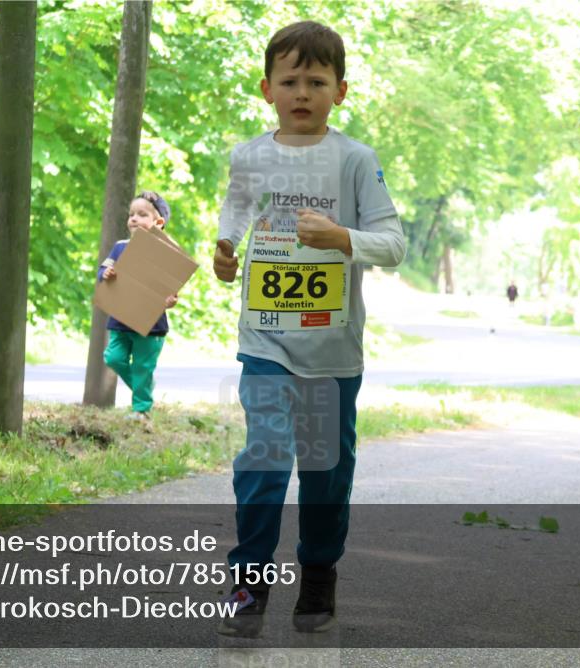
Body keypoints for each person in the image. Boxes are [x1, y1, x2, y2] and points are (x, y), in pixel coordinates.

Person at [212, 21, 405, 637]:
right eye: (290, 81)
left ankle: (319, 571)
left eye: (316, 81)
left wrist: (342, 238)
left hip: (332, 351)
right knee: (264, 458)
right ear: (267, 88)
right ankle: (249, 583)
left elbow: (394, 244)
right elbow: (238, 209)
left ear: (340, 91)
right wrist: (224, 247)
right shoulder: (250, 155)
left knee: (325, 469)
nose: (302, 92)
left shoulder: (355, 160)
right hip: (265, 341)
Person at [98, 191, 178, 420]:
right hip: (120, 319)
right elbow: (102, 271)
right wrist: (106, 273)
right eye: (131, 214)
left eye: (142, 215)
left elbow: (170, 290)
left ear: (158, 222)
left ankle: (141, 410)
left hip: (151, 324)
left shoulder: (165, 252)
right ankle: (144, 390)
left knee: (143, 366)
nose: (133, 218)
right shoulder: (120, 247)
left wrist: (171, 300)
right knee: (113, 357)